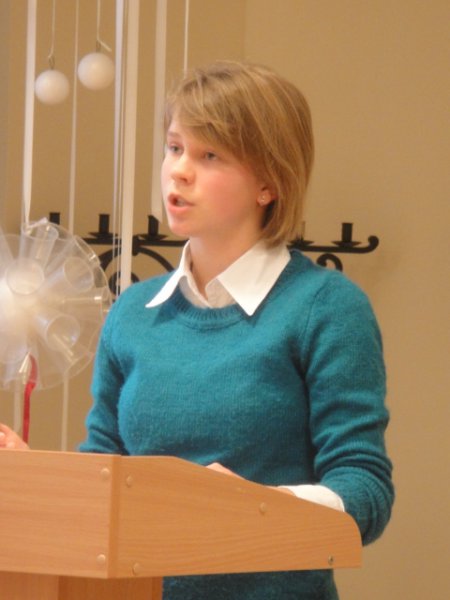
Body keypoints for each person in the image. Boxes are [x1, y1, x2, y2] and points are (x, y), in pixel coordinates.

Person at [0, 60, 394, 599]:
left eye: (210, 156)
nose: (179, 172)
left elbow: (365, 492)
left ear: (269, 183)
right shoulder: (133, 312)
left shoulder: (326, 308)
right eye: (174, 147)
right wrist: (34, 479)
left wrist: (255, 507)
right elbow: (104, 477)